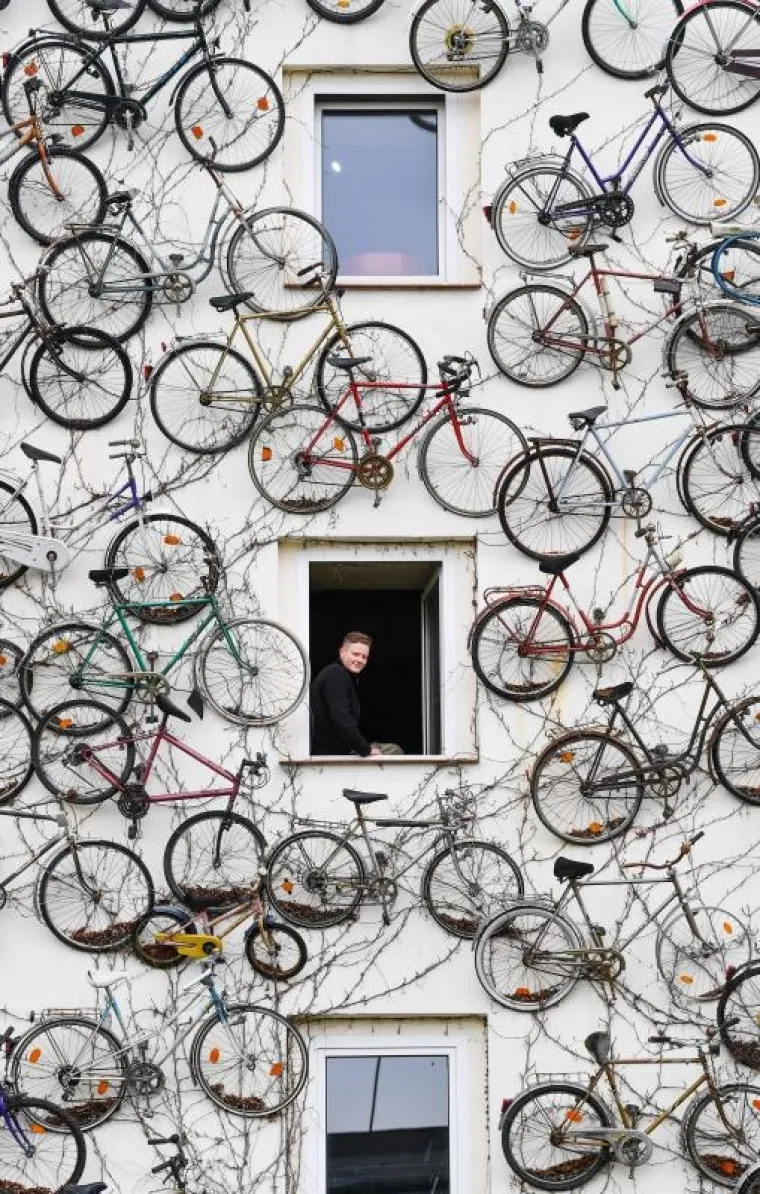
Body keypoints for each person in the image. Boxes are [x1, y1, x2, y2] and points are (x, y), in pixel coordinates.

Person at [310, 631, 403, 756]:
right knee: (394, 751)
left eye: (364, 657)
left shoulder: (342, 675)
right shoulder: (335, 675)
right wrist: (365, 749)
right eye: (355, 654)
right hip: (332, 754)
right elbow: (341, 718)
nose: (360, 660)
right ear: (342, 652)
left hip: (340, 750)